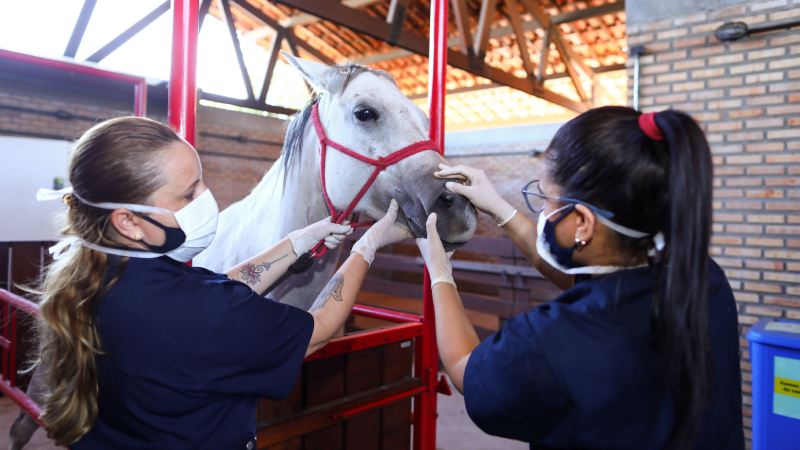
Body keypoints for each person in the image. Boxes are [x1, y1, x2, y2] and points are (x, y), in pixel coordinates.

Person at [33, 116, 411, 449]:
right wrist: (366, 246)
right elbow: (322, 327)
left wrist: (296, 241)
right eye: (189, 193)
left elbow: (222, 286)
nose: (206, 198)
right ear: (128, 222)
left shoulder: (99, 273)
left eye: (200, 183)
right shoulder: (201, 314)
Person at [415, 107, 744, 450]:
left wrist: (440, 273)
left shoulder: (552, 340)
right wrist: (500, 209)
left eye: (545, 199)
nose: (542, 211)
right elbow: (582, 282)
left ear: (584, 223)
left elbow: (464, 368)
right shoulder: (702, 278)